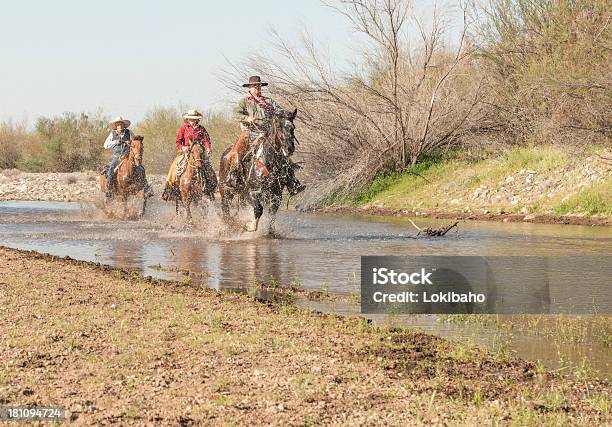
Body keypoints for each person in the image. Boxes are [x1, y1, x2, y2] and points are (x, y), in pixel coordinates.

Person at [232, 75, 305, 195]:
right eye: (255, 86)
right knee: (239, 151)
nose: (257, 88)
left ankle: (292, 183)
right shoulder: (244, 102)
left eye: (259, 86)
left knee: (282, 151)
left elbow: (279, 111)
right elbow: (235, 115)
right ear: (249, 88)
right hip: (249, 131)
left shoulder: (269, 101)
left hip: (267, 132)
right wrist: (247, 118)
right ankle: (234, 175)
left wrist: (287, 115)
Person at [162, 109, 217, 200]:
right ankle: (170, 187)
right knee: (175, 166)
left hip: (199, 152)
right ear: (187, 119)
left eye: (194, 119)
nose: (192, 121)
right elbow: (178, 141)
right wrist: (183, 147)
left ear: (197, 119)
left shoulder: (201, 129)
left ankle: (210, 188)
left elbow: (206, 140)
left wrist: (207, 148)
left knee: (208, 168)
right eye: (190, 119)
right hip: (186, 151)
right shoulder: (183, 128)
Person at [103, 116, 153, 198]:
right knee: (111, 168)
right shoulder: (112, 134)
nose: (120, 126)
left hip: (127, 156)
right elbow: (105, 145)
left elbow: (134, 141)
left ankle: (146, 187)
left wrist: (129, 142)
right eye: (118, 124)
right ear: (116, 126)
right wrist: (115, 142)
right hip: (117, 157)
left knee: (141, 168)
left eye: (122, 124)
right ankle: (109, 188)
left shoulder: (129, 132)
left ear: (124, 125)